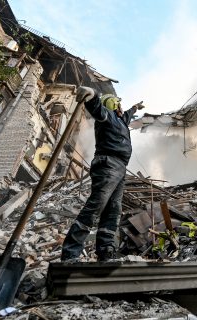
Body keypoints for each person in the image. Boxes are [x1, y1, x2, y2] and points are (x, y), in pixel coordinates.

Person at [61, 87, 145, 262]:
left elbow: (127, 115)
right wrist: (92, 95)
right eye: (119, 104)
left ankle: (106, 251)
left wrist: (135, 107)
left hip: (119, 167)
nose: (122, 107)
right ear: (113, 105)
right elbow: (96, 108)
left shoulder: (120, 120)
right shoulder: (107, 115)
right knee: (96, 206)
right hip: (109, 164)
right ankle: (70, 253)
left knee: (113, 209)